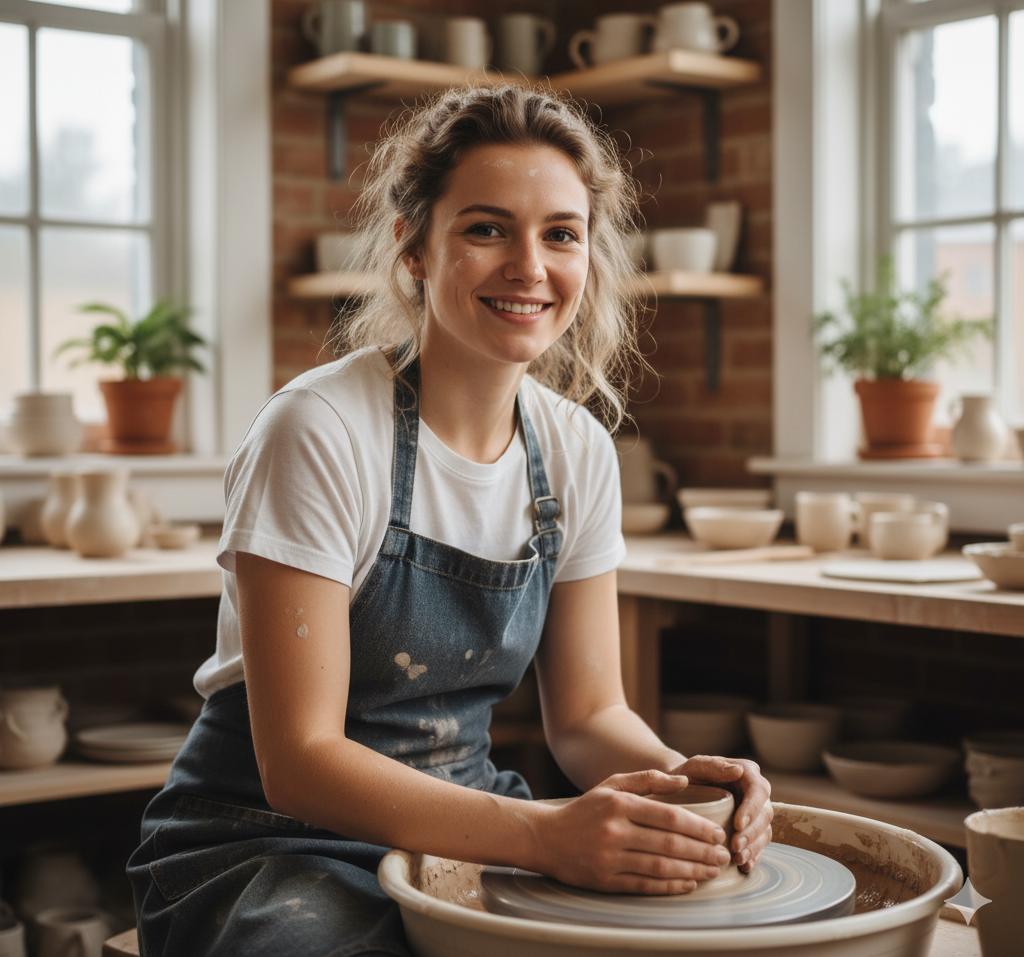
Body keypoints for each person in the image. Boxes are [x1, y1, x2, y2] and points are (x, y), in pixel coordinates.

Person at [127, 83, 772, 957]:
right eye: (485, 228)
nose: (529, 267)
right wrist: (546, 835)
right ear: (414, 247)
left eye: (560, 234)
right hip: (265, 841)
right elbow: (300, 760)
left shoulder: (576, 449)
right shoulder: (319, 430)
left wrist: (681, 790)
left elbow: (586, 719)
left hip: (467, 826)